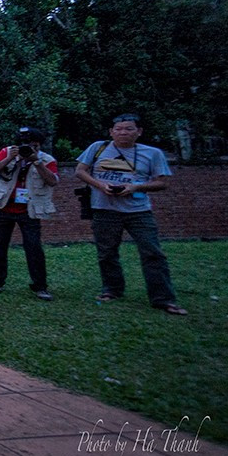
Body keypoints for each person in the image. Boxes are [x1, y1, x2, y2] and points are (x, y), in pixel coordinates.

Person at [75, 114, 187, 316]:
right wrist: (101, 185)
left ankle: (163, 299)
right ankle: (112, 290)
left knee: (153, 253)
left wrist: (135, 186)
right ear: (111, 132)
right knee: (107, 253)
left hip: (139, 211)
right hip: (104, 209)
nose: (123, 132)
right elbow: (81, 171)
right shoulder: (98, 147)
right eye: (118, 129)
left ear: (139, 131)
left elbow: (162, 182)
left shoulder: (152, 153)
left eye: (128, 129)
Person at [0, 127, 58, 300]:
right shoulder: (6, 152)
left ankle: (40, 285)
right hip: (2, 207)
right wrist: (11, 157)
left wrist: (37, 161)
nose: (30, 149)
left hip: (29, 210)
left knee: (34, 248)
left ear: (39, 145)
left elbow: (52, 181)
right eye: (26, 146)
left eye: (35, 146)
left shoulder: (46, 160)